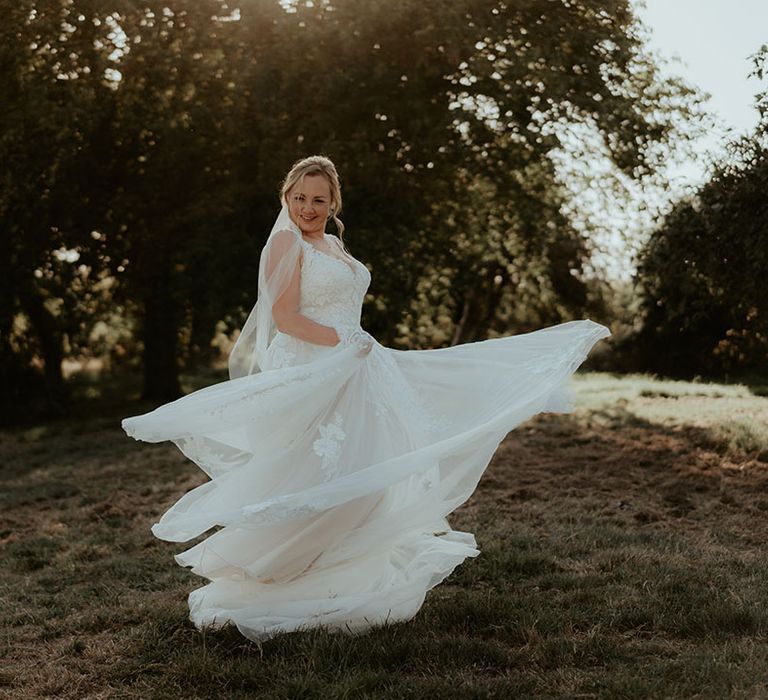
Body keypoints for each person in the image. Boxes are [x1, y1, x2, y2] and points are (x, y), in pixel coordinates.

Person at [122, 154, 611, 642]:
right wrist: (345, 342)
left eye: (318, 199)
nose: (307, 208)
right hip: (314, 368)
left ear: (333, 201)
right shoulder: (285, 243)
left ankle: (338, 570)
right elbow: (287, 318)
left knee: (369, 472)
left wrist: (354, 345)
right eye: (299, 198)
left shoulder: (331, 243)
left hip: (354, 366)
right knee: (323, 472)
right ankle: (284, 571)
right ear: (286, 198)